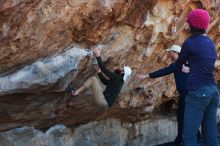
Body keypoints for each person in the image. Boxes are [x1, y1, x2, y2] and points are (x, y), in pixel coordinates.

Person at [136, 45, 201, 146]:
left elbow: (163, 71)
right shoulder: (187, 62)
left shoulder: (178, 64)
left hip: (187, 95)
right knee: (190, 117)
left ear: (175, 53)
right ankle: (197, 137)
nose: (169, 54)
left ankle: (181, 140)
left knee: (182, 117)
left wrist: (146, 76)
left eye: (170, 52)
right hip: (194, 94)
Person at [174, 9, 219, 146]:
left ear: (191, 25)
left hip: (198, 92)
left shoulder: (190, 42)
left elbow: (177, 65)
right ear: (205, 25)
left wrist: (149, 75)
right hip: (213, 92)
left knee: (188, 136)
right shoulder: (211, 43)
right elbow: (202, 64)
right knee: (210, 135)